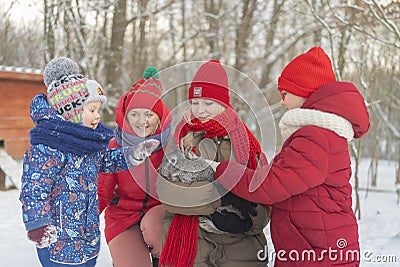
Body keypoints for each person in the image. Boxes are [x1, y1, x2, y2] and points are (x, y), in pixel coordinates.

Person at [215, 46, 370, 266]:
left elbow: (271, 186)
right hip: (312, 247)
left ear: (305, 92)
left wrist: (221, 171)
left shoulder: (315, 137)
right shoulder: (318, 134)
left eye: (285, 94)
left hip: (318, 253)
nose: (282, 102)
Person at [19, 57, 144, 267]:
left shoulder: (86, 143)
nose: (97, 117)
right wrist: (39, 224)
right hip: (59, 240)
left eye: (98, 111)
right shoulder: (48, 146)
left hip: (87, 236)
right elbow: (34, 188)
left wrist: (133, 154)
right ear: (73, 111)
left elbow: (105, 160)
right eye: (92, 110)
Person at [157, 60, 271, 267]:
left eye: (208, 103)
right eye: (195, 102)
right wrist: (222, 200)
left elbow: (262, 204)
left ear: (224, 104)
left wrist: (245, 221)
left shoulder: (246, 143)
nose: (200, 111)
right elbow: (168, 194)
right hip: (191, 249)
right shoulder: (180, 138)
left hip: (239, 251)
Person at [98, 67, 172, 267]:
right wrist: (81, 218)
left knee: (156, 229)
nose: (142, 121)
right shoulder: (115, 146)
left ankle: (162, 260)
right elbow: (102, 192)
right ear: (125, 116)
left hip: (158, 212)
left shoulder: (170, 144)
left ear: (159, 116)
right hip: (122, 215)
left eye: (148, 114)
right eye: (135, 114)